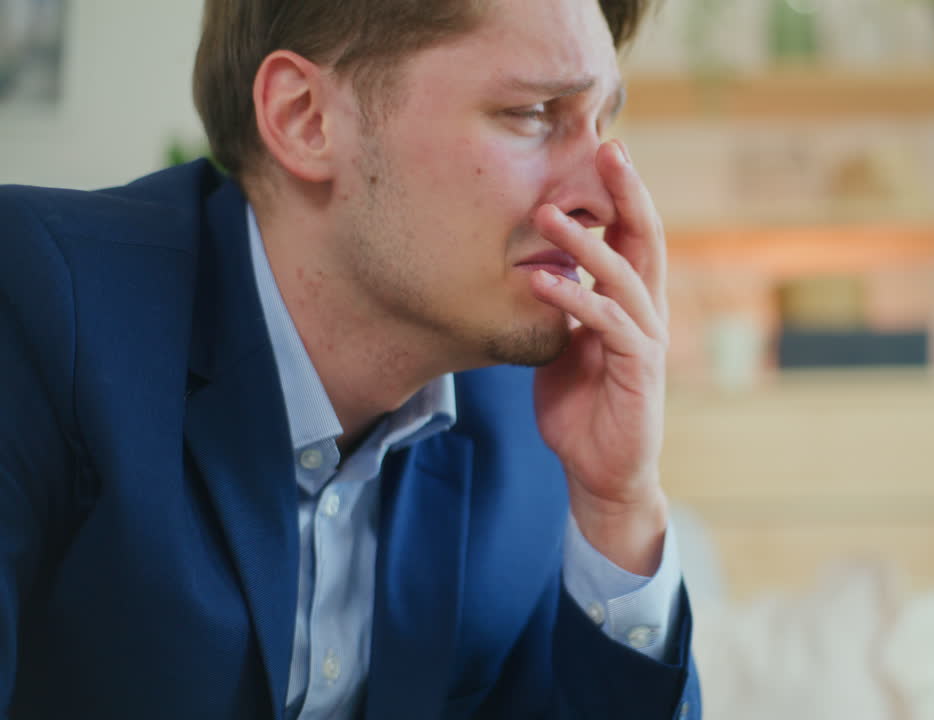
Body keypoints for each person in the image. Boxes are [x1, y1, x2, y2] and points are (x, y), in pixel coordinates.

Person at [0, 0, 700, 717]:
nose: (603, 200)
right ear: (307, 118)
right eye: (532, 111)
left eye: (602, 122)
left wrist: (619, 506)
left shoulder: (531, 420)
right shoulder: (36, 302)